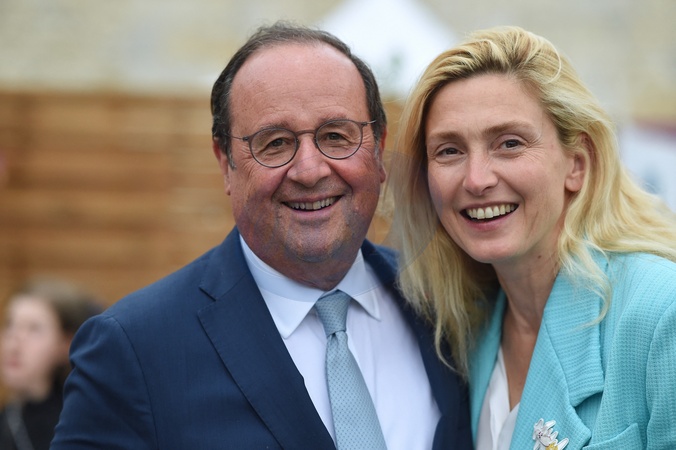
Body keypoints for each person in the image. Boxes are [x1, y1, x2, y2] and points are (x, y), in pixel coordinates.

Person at [51, 21, 472, 449]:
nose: (309, 170)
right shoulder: (134, 350)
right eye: (275, 143)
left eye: (335, 136)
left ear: (379, 150)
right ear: (226, 163)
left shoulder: (448, 304)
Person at [388, 25, 676, 450]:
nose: (477, 179)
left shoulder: (661, 310)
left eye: (509, 143)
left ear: (577, 163)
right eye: (449, 150)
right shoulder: (464, 326)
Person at [0, 276, 101, 450]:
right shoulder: (8, 417)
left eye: (34, 329)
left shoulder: (82, 422)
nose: (13, 343)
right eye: (10, 325)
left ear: (67, 343)